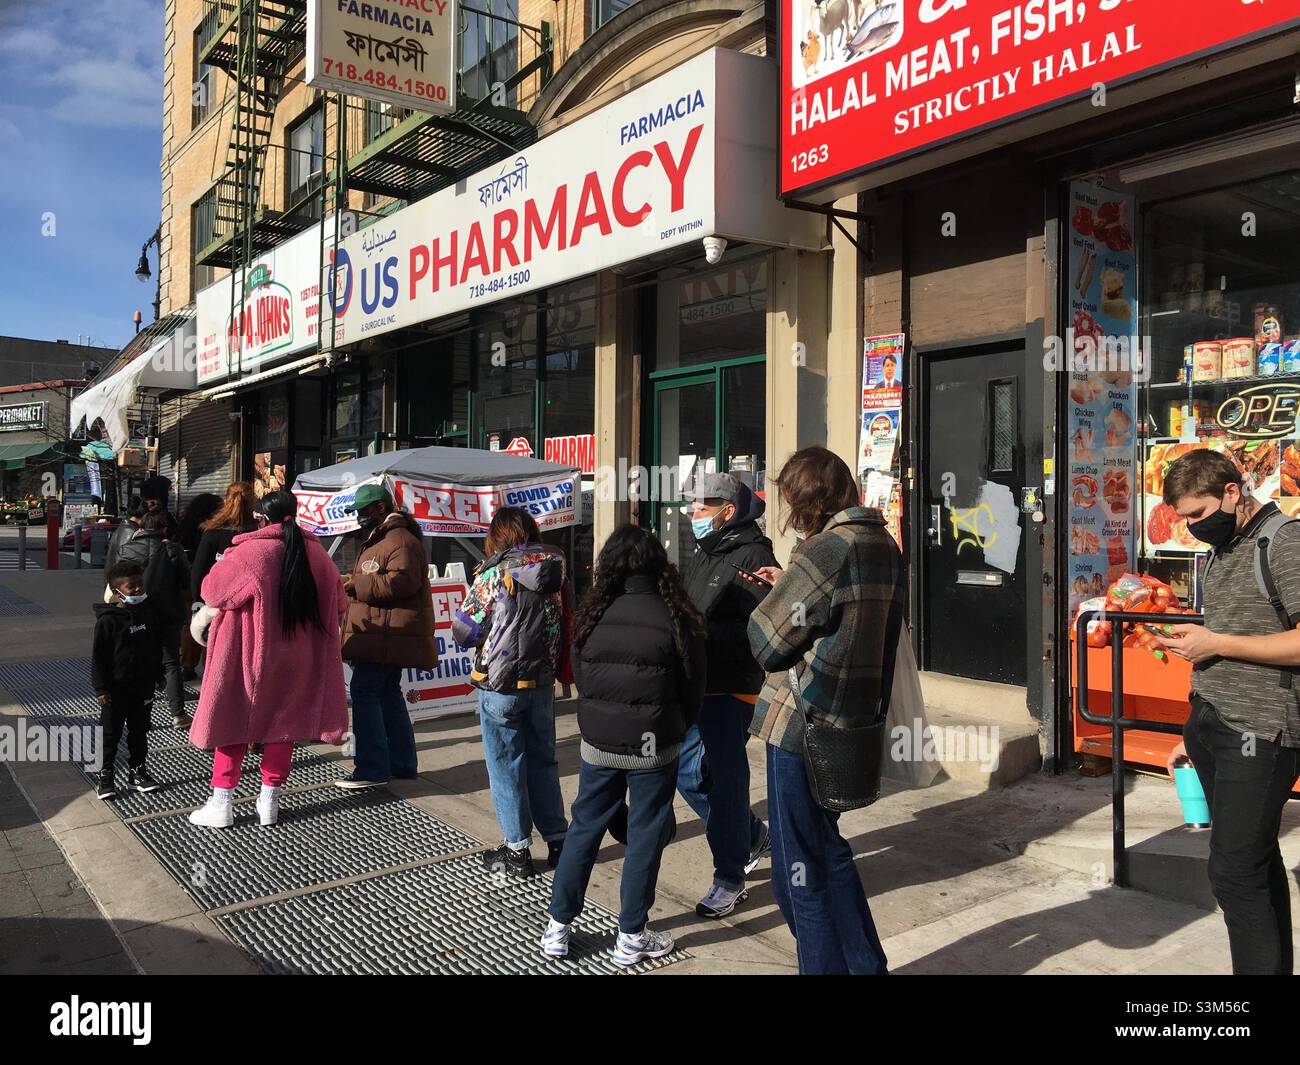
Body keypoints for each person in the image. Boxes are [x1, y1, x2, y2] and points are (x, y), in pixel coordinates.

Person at [746, 446, 903, 975]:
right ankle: (866, 966)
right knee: (828, 852)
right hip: (849, 723)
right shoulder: (883, 543)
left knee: (798, 872)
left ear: (807, 502)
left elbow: (766, 643)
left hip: (800, 725)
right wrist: (789, 590)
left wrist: (784, 590)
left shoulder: (825, 551)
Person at [1155, 449, 1300, 975]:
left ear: (1233, 493)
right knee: (1255, 862)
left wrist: (1217, 642)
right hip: (1214, 723)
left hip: (1262, 731)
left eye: (1197, 514)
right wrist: (1191, 728)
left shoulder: (1283, 541)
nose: (1192, 527)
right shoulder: (1224, 547)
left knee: (1234, 872)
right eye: (1184, 519)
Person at [541, 525, 706, 965]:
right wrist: (678, 725)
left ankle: (557, 928)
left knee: (584, 829)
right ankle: (631, 935)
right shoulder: (675, 615)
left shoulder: (593, 614)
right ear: (658, 565)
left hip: (599, 744)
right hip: (656, 745)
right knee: (646, 835)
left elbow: (579, 676)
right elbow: (694, 685)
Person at [187, 490, 350, 828]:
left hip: (250, 656)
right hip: (300, 658)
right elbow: (338, 603)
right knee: (283, 727)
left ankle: (221, 803)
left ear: (260, 518)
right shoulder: (318, 554)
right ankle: (269, 802)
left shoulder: (251, 553)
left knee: (233, 721)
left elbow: (212, 590)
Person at [672, 470, 777, 918]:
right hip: (700, 682)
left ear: (726, 512)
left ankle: (730, 876)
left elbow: (760, 633)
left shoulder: (753, 554)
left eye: (701, 508)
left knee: (725, 779)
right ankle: (751, 834)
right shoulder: (706, 551)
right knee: (688, 772)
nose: (693, 514)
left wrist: (703, 635)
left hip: (732, 687)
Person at [452, 507, 571, 878]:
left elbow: (463, 629)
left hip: (499, 684)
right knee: (543, 761)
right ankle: (558, 841)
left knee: (505, 766)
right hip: (541, 682)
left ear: (498, 537)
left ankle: (517, 850)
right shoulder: (556, 569)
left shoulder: (492, 574)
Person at [337, 484, 438, 789]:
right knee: (387, 694)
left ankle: (372, 767)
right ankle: (401, 764)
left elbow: (401, 583)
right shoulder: (385, 538)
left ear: (381, 508)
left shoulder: (399, 540)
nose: (359, 517)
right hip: (385, 634)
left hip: (387, 635)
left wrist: (356, 583)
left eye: (364, 511)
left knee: (366, 692)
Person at [106, 509, 191, 728]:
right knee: (171, 662)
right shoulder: (173, 549)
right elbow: (186, 581)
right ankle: (178, 714)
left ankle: (137, 715)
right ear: (164, 529)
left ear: (142, 528)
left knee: (137, 662)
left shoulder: (128, 548)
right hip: (168, 614)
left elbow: (115, 577)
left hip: (136, 612)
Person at [91, 560, 165, 799]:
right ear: (116, 592)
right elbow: (98, 658)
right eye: (131, 586)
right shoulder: (107, 622)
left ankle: (138, 772)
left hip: (142, 688)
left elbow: (155, 648)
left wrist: (159, 674)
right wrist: (101, 688)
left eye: (140, 585)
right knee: (110, 733)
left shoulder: (148, 614)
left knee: (139, 731)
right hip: (114, 690)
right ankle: (106, 774)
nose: (138, 590)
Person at [176, 493, 222, 681]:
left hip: (185, 583)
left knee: (190, 623)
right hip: (203, 584)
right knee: (206, 624)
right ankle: (204, 665)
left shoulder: (183, 527)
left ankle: (188, 665)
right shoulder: (211, 531)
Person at [191, 483, 259, 602]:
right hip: (250, 605)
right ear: (253, 502)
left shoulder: (212, 533)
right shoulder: (260, 533)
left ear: (225, 501)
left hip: (216, 603)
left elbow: (198, 575)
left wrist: (199, 604)